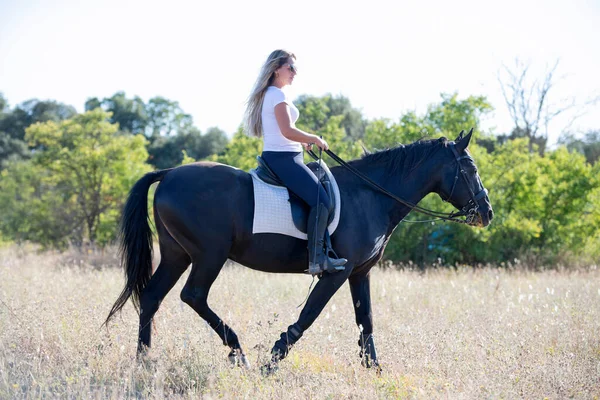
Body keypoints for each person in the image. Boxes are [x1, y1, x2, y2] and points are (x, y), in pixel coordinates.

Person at [244, 49, 347, 275]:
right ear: (276, 69)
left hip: (286, 154)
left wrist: (302, 143)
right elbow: (287, 130)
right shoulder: (277, 95)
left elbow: (285, 134)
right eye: (290, 67)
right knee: (321, 199)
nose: (294, 72)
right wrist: (314, 138)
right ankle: (317, 259)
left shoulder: (274, 94)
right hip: (282, 159)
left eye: (295, 68)